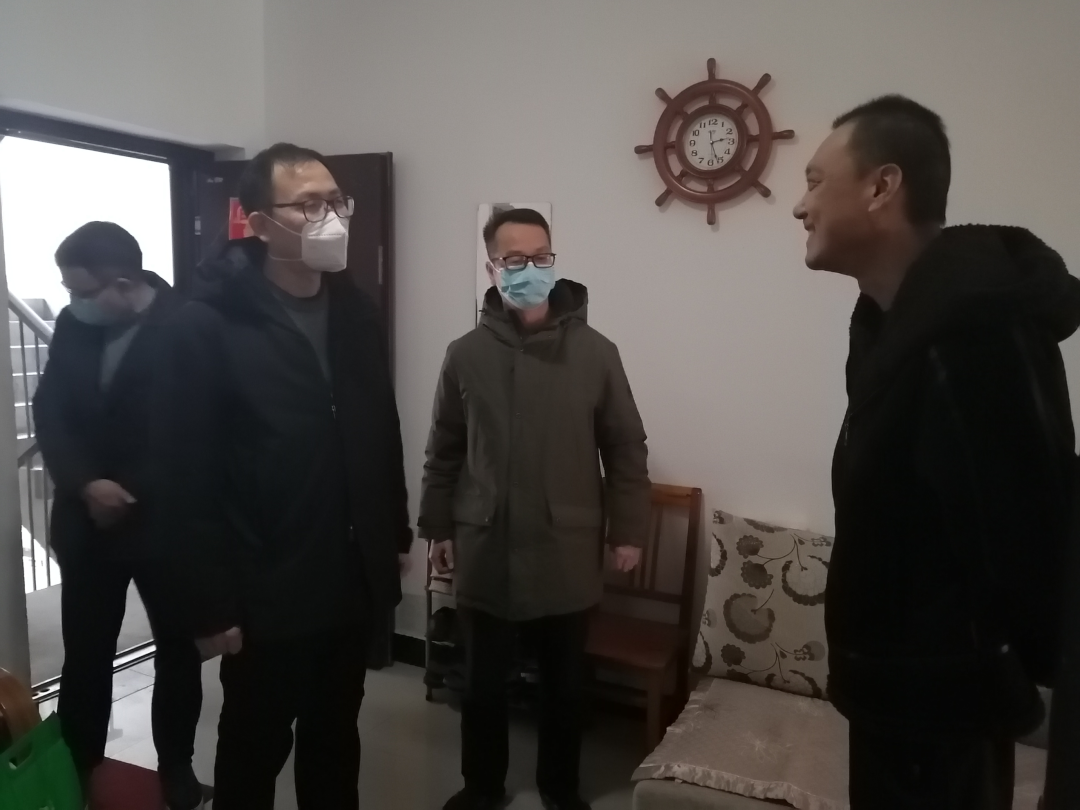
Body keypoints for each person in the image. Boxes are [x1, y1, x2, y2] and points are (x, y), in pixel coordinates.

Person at [794, 95, 1080, 809]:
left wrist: (997, 668)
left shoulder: (977, 334)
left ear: (882, 186)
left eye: (815, 181)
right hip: (899, 705)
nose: (800, 206)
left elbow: (1030, 538)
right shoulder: (888, 326)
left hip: (943, 713)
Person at [155, 143, 412, 810]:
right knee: (253, 748)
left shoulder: (356, 312)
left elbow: (379, 429)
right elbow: (185, 477)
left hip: (347, 578)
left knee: (336, 739)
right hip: (265, 585)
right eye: (309, 204)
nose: (331, 217)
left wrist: (394, 532)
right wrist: (208, 604)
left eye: (337, 202)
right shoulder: (207, 325)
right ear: (259, 223)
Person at [420, 207, 652, 810]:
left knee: (564, 684)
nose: (530, 269)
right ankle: (481, 786)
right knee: (482, 683)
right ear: (492, 268)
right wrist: (438, 527)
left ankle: (560, 787)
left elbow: (625, 447)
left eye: (541, 257)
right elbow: (444, 449)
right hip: (486, 544)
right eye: (515, 259)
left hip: (564, 546)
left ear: (554, 261)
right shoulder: (465, 354)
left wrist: (628, 531)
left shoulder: (596, 352)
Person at [32, 222, 204, 810]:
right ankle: (78, 766)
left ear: (124, 282)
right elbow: (50, 410)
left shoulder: (189, 326)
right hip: (88, 524)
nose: (71, 301)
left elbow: (192, 432)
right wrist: (86, 483)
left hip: (164, 525)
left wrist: (126, 489)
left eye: (80, 290)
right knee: (86, 653)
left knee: (178, 651)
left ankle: (176, 767)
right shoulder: (74, 325)